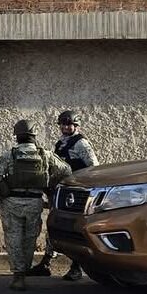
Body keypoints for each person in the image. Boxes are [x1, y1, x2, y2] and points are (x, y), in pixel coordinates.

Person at [0, 120, 70, 292]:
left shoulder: (10, 155)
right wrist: (49, 185)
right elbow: (66, 170)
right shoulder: (44, 154)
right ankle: (26, 268)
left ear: (17, 136)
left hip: (12, 202)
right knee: (30, 238)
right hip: (35, 202)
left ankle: (18, 277)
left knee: (13, 238)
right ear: (34, 136)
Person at [30, 110, 100, 281]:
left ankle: (76, 268)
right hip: (61, 192)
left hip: (76, 195)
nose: (66, 127)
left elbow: (94, 167)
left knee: (73, 229)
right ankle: (46, 263)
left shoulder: (81, 144)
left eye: (69, 124)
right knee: (54, 227)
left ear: (76, 126)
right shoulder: (61, 143)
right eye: (63, 123)